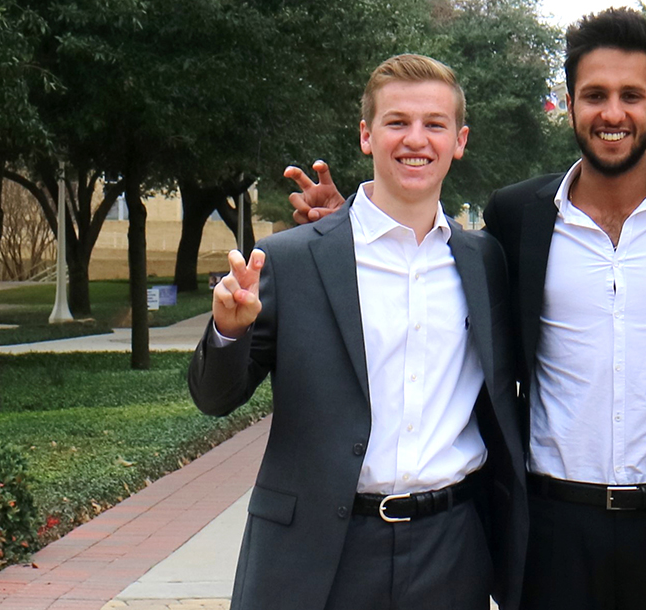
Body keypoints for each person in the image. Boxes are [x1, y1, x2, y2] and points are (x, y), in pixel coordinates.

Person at [283, 10, 646, 609]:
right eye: (594, 95)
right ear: (571, 104)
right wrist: (343, 226)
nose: (612, 113)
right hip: (550, 527)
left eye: (631, 95)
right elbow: (422, 247)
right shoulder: (518, 217)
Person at [187, 54, 527, 610]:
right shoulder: (290, 261)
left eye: (434, 124)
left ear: (459, 140)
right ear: (367, 135)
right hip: (321, 551)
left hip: (452, 548)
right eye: (397, 122)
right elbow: (216, 398)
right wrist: (228, 330)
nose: (415, 139)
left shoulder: (484, 260)